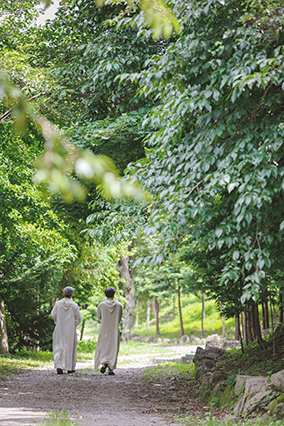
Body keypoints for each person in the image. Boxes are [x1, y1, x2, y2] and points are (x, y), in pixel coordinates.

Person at [51, 286, 81, 374]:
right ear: (72, 295)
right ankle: (70, 368)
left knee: (59, 346)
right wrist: (73, 325)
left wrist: (58, 321)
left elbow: (53, 315)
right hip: (70, 330)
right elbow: (78, 318)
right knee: (70, 347)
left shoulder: (58, 304)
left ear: (64, 294)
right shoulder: (74, 305)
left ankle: (59, 366)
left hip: (59, 328)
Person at [94, 286, 123, 375]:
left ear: (105, 295)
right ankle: (111, 369)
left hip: (104, 329)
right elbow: (120, 317)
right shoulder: (119, 306)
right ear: (114, 295)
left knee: (104, 347)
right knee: (113, 348)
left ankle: (104, 363)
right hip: (114, 329)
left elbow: (98, 316)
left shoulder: (102, 305)